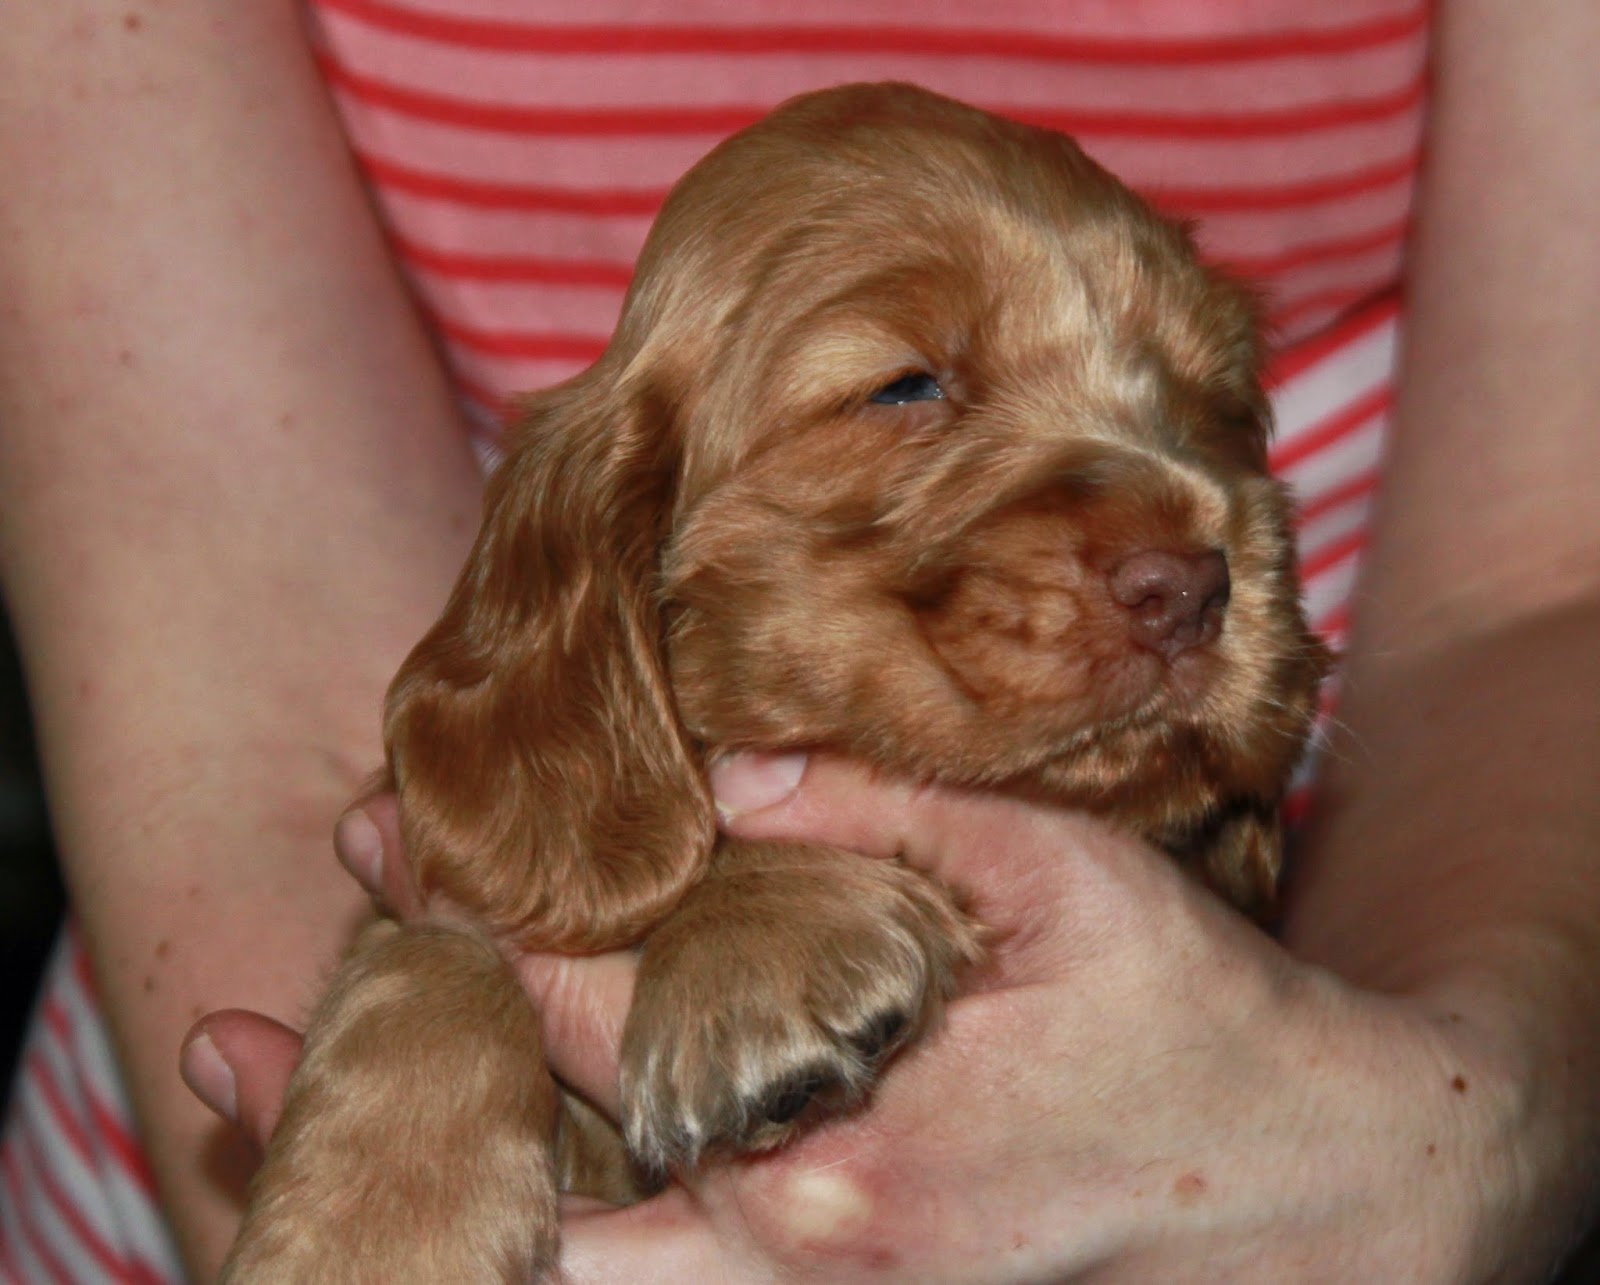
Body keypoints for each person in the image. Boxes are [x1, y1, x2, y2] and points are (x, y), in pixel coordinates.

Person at [1, 0, 1595, 1280]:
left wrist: (1453, 1127)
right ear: (616, 528)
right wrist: (424, 1049)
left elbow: (1546, 577)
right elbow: (259, 670)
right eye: (906, 388)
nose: (1176, 547)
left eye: (1209, 402)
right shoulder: (579, 602)